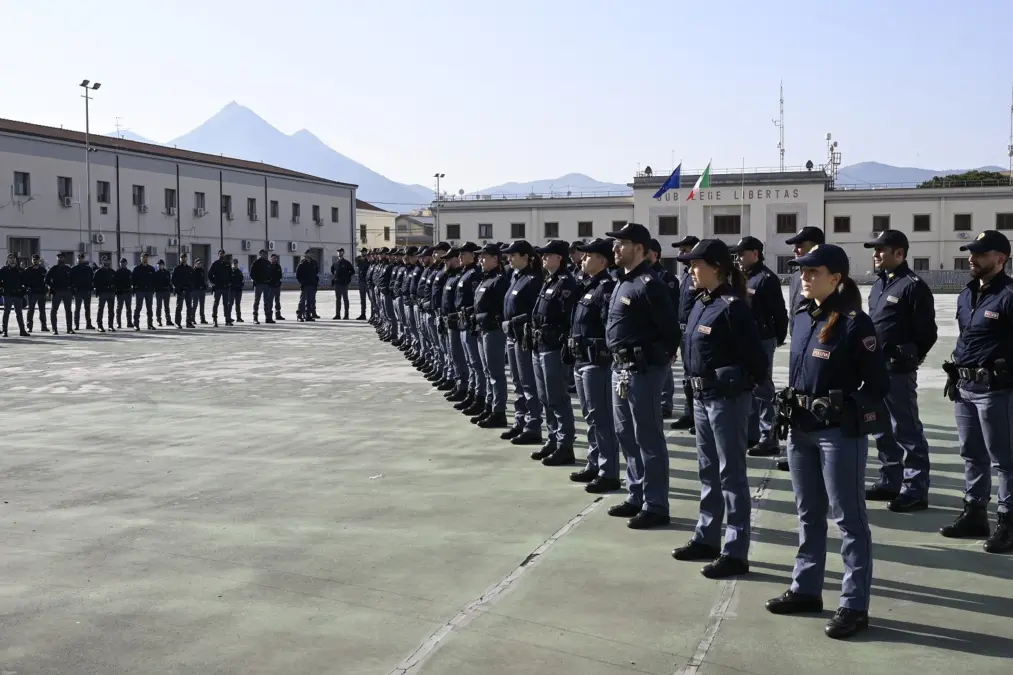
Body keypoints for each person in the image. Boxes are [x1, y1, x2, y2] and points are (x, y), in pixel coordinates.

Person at [765, 243, 888, 640]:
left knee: (849, 519)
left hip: (837, 433)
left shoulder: (855, 322)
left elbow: (878, 386)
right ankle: (806, 589)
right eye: (802, 270)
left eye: (813, 272)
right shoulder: (802, 316)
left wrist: (841, 406)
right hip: (800, 429)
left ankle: (854, 605)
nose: (804, 277)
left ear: (835, 278)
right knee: (808, 513)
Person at [671, 239, 768, 578]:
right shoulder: (702, 303)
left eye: (696, 264)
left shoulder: (733, 307)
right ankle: (707, 537)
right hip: (702, 400)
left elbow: (758, 363)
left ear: (715, 267)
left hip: (726, 401)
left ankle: (735, 550)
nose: (690, 270)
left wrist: (731, 380)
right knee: (708, 471)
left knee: (731, 475)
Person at [604, 223, 681, 529]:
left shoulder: (650, 284)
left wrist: (653, 363)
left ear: (638, 248)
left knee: (648, 437)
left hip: (642, 371)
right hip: (620, 369)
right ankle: (637, 495)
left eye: (620, 244)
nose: (615, 249)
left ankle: (656, 504)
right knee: (626, 435)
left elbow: (671, 332)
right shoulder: (623, 281)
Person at [942, 229, 1013, 554]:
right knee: (972, 455)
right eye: (971, 253)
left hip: (997, 390)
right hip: (965, 387)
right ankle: (975, 513)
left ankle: (1008, 523)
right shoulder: (966, 294)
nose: (972, 258)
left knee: (1005, 460)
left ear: (1000, 259)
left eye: (980, 254)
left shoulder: (1010, 294)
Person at [862, 229, 938, 513]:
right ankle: (890, 480)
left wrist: (911, 357)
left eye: (882, 249)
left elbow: (927, 332)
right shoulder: (879, 285)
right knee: (881, 429)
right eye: (875, 249)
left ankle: (916, 489)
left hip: (898, 370)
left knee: (906, 430)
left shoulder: (913, 286)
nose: (876, 254)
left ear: (900, 254)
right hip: (876, 369)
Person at [567, 238, 621, 493]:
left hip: (596, 362)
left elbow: (609, 327)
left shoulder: (606, 288)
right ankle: (594, 462)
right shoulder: (588, 285)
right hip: (581, 359)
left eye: (588, 255)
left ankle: (608, 471)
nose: (583, 259)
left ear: (602, 260)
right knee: (590, 416)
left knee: (601, 419)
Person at [729, 236, 789, 456]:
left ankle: (769, 437)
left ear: (755, 254)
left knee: (763, 389)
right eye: (736, 254)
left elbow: (779, 313)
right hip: (745, 340)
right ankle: (753, 434)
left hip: (762, 339)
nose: (738, 258)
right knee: (749, 388)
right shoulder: (742, 277)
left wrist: (777, 338)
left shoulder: (765, 279)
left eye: (742, 254)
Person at [530, 239, 578, 464]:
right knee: (545, 397)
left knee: (557, 398)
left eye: (547, 254)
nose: (543, 258)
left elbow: (568, 318)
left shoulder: (565, 282)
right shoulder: (548, 280)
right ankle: (552, 439)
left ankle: (564, 444)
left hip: (554, 347)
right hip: (540, 346)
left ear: (559, 257)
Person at [500, 240, 545, 446]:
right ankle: (520, 421)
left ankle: (532, 424)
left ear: (526, 257)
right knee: (517, 381)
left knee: (528, 383)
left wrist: (513, 322)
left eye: (513, 255)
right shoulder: (515, 277)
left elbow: (534, 312)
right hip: (512, 336)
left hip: (523, 337)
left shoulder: (534, 280)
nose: (509, 259)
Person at [472, 243, 511, 429]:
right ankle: (490, 405)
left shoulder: (499, 280)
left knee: (495, 373)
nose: (480, 259)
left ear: (495, 259)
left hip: (493, 330)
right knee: (487, 371)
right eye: (480, 257)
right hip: (482, 329)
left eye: (484, 257)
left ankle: (498, 411)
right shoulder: (485, 279)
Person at [647, 239, 680, 418]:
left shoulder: (667, 278)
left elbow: (673, 307)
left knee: (665, 368)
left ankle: (666, 403)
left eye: (647, 251)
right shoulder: (641, 275)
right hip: (648, 330)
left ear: (655, 254)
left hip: (663, 329)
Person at [670, 235, 700, 432]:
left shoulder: (700, 277)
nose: (681, 253)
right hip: (683, 332)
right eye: (680, 250)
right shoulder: (686, 275)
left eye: (685, 249)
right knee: (688, 376)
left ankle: (698, 416)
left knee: (697, 375)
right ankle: (690, 414)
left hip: (696, 333)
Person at [452, 243, 486, 416]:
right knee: (470, 362)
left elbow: (475, 301)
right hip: (463, 320)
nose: (459, 258)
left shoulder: (474, 274)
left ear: (472, 255)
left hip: (471, 321)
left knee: (476, 364)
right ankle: (471, 394)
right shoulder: (465, 273)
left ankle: (479, 397)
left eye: (462, 254)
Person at [0, 253, 29, 337]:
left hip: (18, 294)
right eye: (10, 258)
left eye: (13, 258)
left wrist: (23, 291)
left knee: (19, 313)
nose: (12, 260)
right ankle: (5, 331)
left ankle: (22, 331)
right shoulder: (3, 270)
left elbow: (25, 282)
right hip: (7, 294)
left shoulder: (20, 270)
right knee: (6, 312)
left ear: (16, 260)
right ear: (7, 260)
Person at [45, 253, 74, 335]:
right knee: (54, 310)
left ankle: (69, 329)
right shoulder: (53, 269)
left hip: (67, 292)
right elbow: (46, 280)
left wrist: (72, 288)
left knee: (68, 310)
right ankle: (54, 329)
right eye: (58, 258)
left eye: (61, 258)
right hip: (56, 292)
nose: (60, 259)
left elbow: (73, 280)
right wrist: (51, 287)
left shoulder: (68, 269)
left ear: (64, 259)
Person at [132, 252, 157, 330]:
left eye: (146, 257)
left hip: (149, 291)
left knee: (149, 308)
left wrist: (153, 289)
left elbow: (154, 280)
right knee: (138, 307)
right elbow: (132, 280)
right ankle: (136, 324)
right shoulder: (136, 269)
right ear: (141, 258)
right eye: (143, 257)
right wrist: (135, 289)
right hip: (140, 291)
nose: (145, 259)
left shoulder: (151, 269)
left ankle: (150, 324)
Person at [23, 254, 48, 334]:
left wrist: (46, 290)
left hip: (41, 293)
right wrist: (27, 288)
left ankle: (44, 326)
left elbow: (46, 281)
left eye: (36, 259)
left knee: (42, 311)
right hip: (32, 293)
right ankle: (29, 327)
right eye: (34, 259)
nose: (35, 261)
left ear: (39, 260)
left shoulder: (43, 270)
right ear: (32, 260)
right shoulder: (28, 270)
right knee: (30, 311)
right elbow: (25, 281)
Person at [70, 253, 95, 330]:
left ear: (84, 259)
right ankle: (76, 325)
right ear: (77, 259)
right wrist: (73, 289)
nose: (80, 259)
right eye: (79, 258)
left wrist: (91, 288)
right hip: (78, 292)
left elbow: (92, 279)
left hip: (87, 291)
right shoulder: (74, 269)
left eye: (82, 258)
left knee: (87, 308)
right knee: (77, 309)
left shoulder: (88, 269)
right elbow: (70, 280)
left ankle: (89, 324)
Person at [208, 249, 233, 327]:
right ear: (218, 254)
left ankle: (227, 320)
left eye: (223, 254)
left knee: (226, 304)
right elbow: (209, 274)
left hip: (225, 288)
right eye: (220, 253)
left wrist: (229, 283)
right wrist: (214, 283)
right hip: (218, 287)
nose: (222, 255)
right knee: (216, 304)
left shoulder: (227, 264)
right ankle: (214, 320)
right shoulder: (215, 264)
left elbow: (231, 275)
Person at [171, 252, 194, 328]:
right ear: (180, 259)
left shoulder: (189, 269)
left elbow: (192, 280)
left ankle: (189, 322)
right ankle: (177, 323)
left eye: (185, 257)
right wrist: (177, 288)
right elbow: (173, 280)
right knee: (179, 307)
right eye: (182, 258)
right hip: (180, 291)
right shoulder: (177, 268)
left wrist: (190, 288)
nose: (183, 259)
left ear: (187, 258)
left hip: (188, 291)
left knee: (189, 307)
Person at [93, 257, 117, 332]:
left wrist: (114, 289)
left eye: (107, 260)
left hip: (111, 293)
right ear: (102, 261)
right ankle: (100, 326)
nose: (106, 262)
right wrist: (98, 291)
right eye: (104, 260)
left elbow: (116, 282)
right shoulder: (98, 272)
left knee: (111, 310)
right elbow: (95, 282)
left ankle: (111, 326)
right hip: (102, 293)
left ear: (109, 261)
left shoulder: (112, 271)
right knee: (101, 310)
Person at [250, 249, 273, 324]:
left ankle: (268, 318)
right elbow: (252, 274)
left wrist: (269, 280)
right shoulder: (256, 263)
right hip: (259, 284)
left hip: (266, 284)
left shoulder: (268, 263)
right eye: (263, 254)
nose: (264, 255)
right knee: (257, 301)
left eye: (265, 254)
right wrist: (256, 281)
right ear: (260, 254)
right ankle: (255, 318)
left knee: (267, 301)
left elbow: (271, 273)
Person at [331, 248, 355, 320]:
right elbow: (332, 270)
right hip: (337, 283)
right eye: (338, 252)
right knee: (338, 299)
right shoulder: (335, 263)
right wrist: (335, 276)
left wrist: (347, 277)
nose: (339, 253)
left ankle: (346, 315)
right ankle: (337, 314)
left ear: (343, 253)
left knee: (345, 299)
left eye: (340, 252)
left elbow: (352, 271)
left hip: (344, 283)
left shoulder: (346, 263)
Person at [114, 258, 134, 328]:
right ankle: (118, 323)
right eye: (121, 262)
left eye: (124, 262)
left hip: (128, 292)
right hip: (120, 293)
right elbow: (115, 283)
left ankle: (129, 322)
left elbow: (132, 282)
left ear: (126, 263)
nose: (122, 264)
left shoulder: (129, 272)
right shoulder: (117, 272)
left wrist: (132, 290)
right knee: (119, 309)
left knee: (129, 309)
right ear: (119, 263)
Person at [154, 259, 173, 326]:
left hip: (166, 291)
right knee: (159, 307)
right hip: (159, 292)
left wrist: (171, 289)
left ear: (163, 265)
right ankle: (159, 320)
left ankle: (168, 320)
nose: (160, 266)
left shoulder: (167, 272)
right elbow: (154, 283)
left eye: (161, 265)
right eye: (159, 265)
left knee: (166, 306)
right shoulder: (156, 274)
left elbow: (169, 282)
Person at [191, 259, 208, 324]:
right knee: (195, 305)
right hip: (195, 290)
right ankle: (192, 318)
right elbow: (192, 281)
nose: (199, 264)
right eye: (198, 263)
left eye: (200, 263)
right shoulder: (193, 271)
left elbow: (203, 280)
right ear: (195, 264)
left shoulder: (202, 271)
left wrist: (204, 286)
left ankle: (202, 319)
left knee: (202, 305)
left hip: (202, 291)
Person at [355, 247, 370, 320]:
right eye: (361, 252)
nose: (361, 253)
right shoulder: (360, 260)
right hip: (361, 281)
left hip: (367, 282)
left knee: (371, 299)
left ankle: (374, 315)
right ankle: (363, 314)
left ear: (366, 252)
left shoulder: (369, 260)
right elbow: (356, 262)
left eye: (363, 252)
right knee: (362, 299)